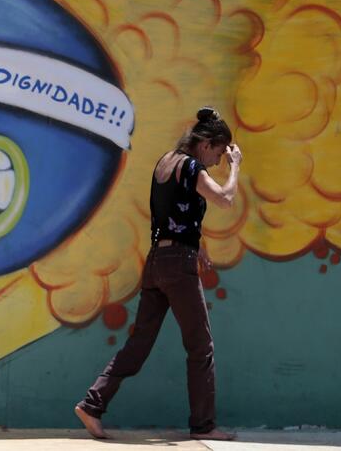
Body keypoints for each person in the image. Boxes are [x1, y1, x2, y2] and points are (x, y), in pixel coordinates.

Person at [74, 106, 242, 441]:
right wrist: (236, 166)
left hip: (157, 262)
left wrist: (199, 248)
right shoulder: (191, 167)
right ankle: (204, 426)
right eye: (218, 154)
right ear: (206, 144)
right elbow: (224, 199)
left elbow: (172, 214)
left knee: (139, 344)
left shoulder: (165, 162)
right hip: (178, 266)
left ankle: (92, 404)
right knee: (200, 346)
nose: (216, 162)